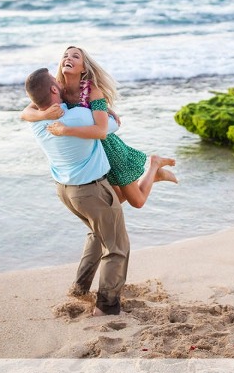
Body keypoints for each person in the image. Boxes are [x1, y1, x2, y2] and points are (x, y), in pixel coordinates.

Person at [25, 67, 127, 316]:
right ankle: (106, 306)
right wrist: (100, 103)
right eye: (54, 80)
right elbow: (112, 125)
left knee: (96, 234)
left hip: (65, 191)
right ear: (52, 89)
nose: (59, 80)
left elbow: (28, 110)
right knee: (116, 247)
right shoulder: (79, 116)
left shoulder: (37, 122)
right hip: (91, 191)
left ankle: (80, 288)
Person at [22, 46, 177, 209]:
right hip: (90, 156)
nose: (68, 58)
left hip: (109, 150)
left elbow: (102, 131)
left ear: (83, 68)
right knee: (112, 201)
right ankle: (153, 175)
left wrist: (65, 130)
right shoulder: (57, 88)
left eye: (75, 56)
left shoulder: (91, 91)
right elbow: (25, 113)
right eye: (65, 56)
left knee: (136, 201)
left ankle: (154, 166)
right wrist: (44, 115)